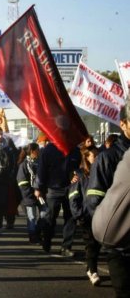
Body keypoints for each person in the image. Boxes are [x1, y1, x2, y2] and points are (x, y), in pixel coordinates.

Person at [86, 102, 130, 297]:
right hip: (121, 246)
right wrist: (113, 230)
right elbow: (94, 200)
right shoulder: (107, 158)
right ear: (123, 124)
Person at [35, 139, 79, 256]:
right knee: (50, 218)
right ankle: (47, 241)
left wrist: (77, 174)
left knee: (71, 218)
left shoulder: (74, 149)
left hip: (71, 189)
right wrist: (38, 187)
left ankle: (66, 247)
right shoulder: (48, 150)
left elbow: (80, 166)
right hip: (53, 189)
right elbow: (41, 170)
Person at [68, 145, 101, 286]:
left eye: (97, 155)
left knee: (97, 245)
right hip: (86, 216)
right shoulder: (80, 175)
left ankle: (90, 267)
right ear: (86, 158)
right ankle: (93, 271)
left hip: (100, 215)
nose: (97, 158)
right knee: (91, 244)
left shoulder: (102, 172)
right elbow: (73, 196)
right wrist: (79, 214)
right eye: (94, 156)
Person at [17, 143, 46, 244]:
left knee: (45, 214)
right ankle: (33, 236)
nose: (39, 151)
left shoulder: (40, 163)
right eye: (38, 150)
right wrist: (32, 193)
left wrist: (41, 191)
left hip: (41, 195)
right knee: (32, 217)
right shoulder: (24, 165)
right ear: (33, 151)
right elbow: (22, 183)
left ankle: (38, 232)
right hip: (29, 197)